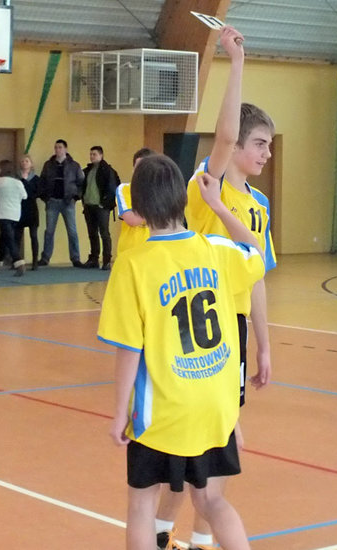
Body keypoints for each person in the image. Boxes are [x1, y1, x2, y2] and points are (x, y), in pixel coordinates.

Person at [98, 154, 265, 550]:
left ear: (138, 208)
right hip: (216, 405)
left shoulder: (132, 265)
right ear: (182, 199)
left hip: (164, 410)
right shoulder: (217, 250)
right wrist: (218, 206)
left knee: (142, 505)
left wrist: (120, 412)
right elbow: (254, 249)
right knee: (211, 500)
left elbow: (129, 349)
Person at [156, 25, 277, 550]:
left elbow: (256, 276)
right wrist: (236, 62)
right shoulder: (210, 185)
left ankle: (194, 541)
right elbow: (224, 137)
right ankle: (162, 534)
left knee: (213, 457)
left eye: (269, 145)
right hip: (195, 330)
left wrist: (264, 344)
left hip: (234, 333)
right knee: (186, 453)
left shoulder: (259, 207)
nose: (266, 153)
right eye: (260, 144)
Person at [37, 139, 84, 267]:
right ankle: (45, 258)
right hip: (52, 201)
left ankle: (75, 258)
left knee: (72, 231)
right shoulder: (48, 165)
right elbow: (42, 181)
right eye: (56, 147)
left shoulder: (74, 165)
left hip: (68, 201)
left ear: (65, 149)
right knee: (49, 231)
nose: (57, 150)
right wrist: (44, 197)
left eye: (60, 147)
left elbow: (81, 183)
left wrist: (76, 197)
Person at [82, 146, 120, 270]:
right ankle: (94, 258)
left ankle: (107, 260)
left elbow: (112, 188)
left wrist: (104, 204)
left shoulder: (107, 170)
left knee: (104, 233)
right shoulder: (88, 170)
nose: (92, 156)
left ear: (101, 155)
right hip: (89, 206)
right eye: (91, 154)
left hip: (101, 207)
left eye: (94, 154)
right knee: (92, 233)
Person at [116, 147, 155, 255]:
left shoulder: (161, 190)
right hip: (130, 252)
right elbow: (132, 220)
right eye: (138, 168)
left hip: (154, 251)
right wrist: (156, 210)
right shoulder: (124, 189)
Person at [0, 160, 27, 276]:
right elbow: (24, 196)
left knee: (9, 239)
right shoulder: (18, 182)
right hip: (15, 214)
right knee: (4, 238)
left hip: (2, 214)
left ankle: (19, 263)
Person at [15, 154, 40, 270]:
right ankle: (17, 261)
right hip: (19, 209)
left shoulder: (36, 179)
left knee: (33, 235)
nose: (24, 163)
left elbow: (38, 192)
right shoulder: (16, 178)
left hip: (32, 208)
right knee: (17, 236)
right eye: (22, 161)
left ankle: (35, 261)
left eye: (27, 161)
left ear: (31, 164)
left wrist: (28, 193)